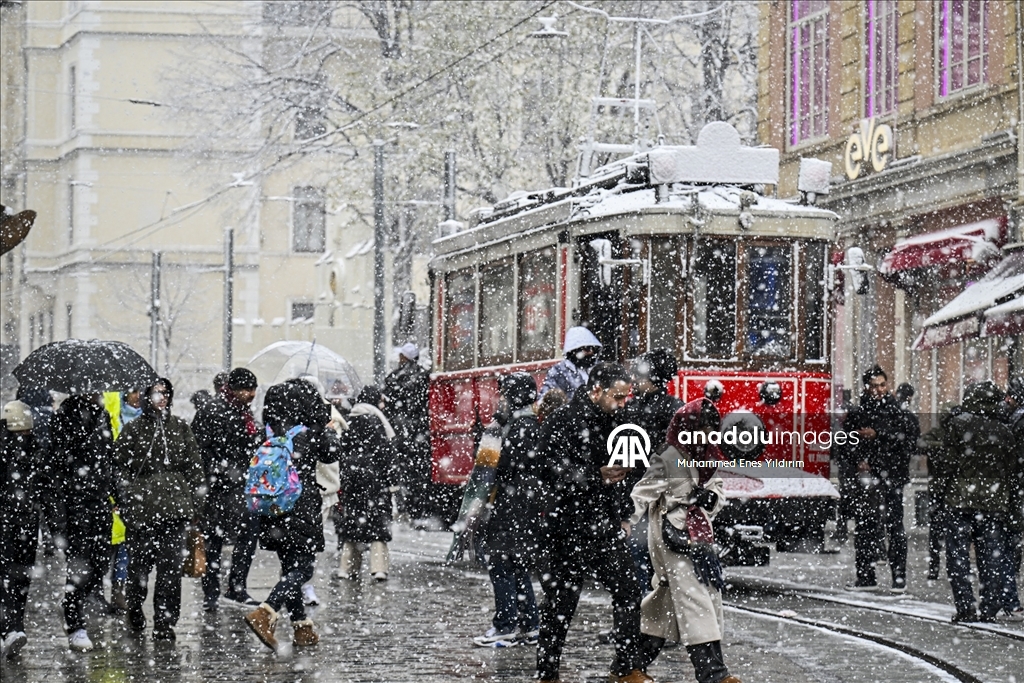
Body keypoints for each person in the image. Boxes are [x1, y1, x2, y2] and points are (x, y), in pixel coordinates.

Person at [535, 362, 655, 683]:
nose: (621, 403)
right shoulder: (564, 420)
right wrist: (593, 476)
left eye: (625, 397)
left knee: (628, 591)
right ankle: (548, 672)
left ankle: (627, 666)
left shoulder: (618, 421)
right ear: (596, 390)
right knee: (562, 602)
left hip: (603, 525)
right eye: (617, 397)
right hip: (569, 526)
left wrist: (625, 504)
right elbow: (546, 470)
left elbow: (635, 465)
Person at [630, 399, 742, 683]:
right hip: (672, 540)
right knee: (698, 604)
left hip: (700, 540)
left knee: (664, 606)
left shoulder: (711, 456)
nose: (705, 435)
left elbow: (718, 495)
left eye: (709, 429)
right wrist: (623, 524)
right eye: (701, 429)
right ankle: (713, 674)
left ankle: (631, 666)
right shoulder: (669, 457)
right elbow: (641, 494)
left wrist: (709, 499)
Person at [244, 378, 340, 651]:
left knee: (289, 567)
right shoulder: (308, 432)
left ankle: (301, 628)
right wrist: (327, 427)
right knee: (304, 567)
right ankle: (266, 612)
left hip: (273, 507)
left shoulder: (269, 430)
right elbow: (332, 455)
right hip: (300, 505)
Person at [113, 378, 205, 641]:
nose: (161, 398)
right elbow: (118, 466)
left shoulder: (180, 428)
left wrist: (196, 505)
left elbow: (195, 469)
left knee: (170, 570)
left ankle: (165, 621)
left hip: (174, 512)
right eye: (155, 394)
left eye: (165, 393)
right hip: (141, 513)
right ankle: (135, 608)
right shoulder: (133, 430)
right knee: (139, 569)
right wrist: (126, 494)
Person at [937, 381, 1018, 622]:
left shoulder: (958, 425)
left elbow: (946, 464)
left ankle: (965, 607)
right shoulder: (1004, 431)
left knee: (958, 557)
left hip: (960, 500)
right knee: (990, 557)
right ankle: (989, 608)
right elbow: (1012, 469)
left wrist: (941, 493)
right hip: (994, 502)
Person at [473, 373, 543, 647]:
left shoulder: (519, 427)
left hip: (510, 508)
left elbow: (503, 468)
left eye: (504, 394)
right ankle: (530, 625)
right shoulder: (528, 424)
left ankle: (505, 625)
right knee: (518, 565)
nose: (500, 399)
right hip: (522, 508)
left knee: (501, 564)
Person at [49, 393, 116, 652]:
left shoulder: (103, 415)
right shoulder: (64, 415)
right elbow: (58, 462)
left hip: (99, 500)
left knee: (100, 563)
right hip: (75, 502)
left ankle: (73, 606)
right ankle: (75, 624)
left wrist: (115, 492)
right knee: (79, 564)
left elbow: (108, 456)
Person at [192, 368, 262, 610]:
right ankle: (212, 593)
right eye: (246, 389)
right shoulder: (213, 411)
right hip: (218, 489)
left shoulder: (244, 412)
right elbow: (199, 450)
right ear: (233, 389)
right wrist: (221, 473)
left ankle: (236, 588)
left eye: (253, 389)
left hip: (242, 488)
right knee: (214, 541)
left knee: (247, 537)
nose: (251, 394)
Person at [620, 349, 684, 591]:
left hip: (641, 491)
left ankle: (638, 618)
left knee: (637, 558)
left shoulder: (634, 409)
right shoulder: (675, 408)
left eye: (640, 376)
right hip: (661, 495)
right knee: (656, 560)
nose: (635, 381)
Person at [843, 366, 911, 592]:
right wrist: (858, 459)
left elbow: (906, 441)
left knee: (894, 528)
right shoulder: (858, 412)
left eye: (882, 385)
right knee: (865, 526)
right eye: (874, 386)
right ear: (867, 387)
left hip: (891, 476)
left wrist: (878, 434)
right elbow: (845, 443)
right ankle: (866, 577)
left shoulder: (898, 411)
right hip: (868, 478)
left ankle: (898, 579)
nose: (879, 390)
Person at [335, 385, 397, 582]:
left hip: (351, 480)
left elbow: (340, 451)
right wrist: (392, 482)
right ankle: (378, 568)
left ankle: (347, 567)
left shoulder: (348, 420)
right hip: (374, 481)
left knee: (352, 524)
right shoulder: (376, 420)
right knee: (378, 525)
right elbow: (386, 454)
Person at [0, 401, 43, 659]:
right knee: (7, 576)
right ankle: (11, 628)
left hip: (26, 522)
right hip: (8, 521)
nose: (23, 437)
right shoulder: (9, 449)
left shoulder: (34, 448)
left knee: (21, 578)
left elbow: (44, 486)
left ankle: (14, 628)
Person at [383, 343, 431, 520]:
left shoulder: (395, 379)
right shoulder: (423, 377)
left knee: (401, 474)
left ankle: (406, 509)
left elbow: (389, 404)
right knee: (416, 475)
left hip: (401, 433)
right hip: (418, 434)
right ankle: (416, 510)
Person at [539, 326, 602, 401]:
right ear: (575, 350)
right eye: (587, 349)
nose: (591, 352)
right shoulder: (558, 371)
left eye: (594, 349)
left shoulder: (600, 368)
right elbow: (545, 400)